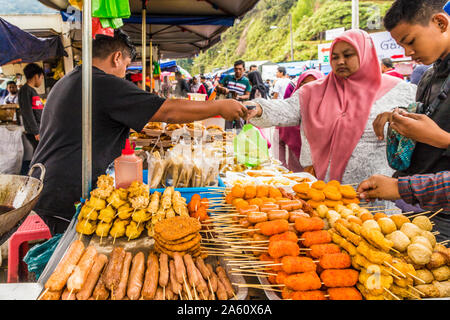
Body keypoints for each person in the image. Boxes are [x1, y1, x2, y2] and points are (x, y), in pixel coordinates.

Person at [30, 29, 248, 234]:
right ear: (117, 58)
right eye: (126, 64)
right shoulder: (103, 84)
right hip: (65, 193)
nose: (125, 73)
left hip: (45, 183)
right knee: (64, 264)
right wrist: (219, 107)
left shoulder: (71, 79)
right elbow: (167, 110)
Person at [245, 29, 416, 187]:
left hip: (376, 196)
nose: (340, 61)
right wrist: (257, 108)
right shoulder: (312, 92)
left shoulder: (400, 91)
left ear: (366, 54)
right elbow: (285, 109)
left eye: (348, 55)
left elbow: (421, 128)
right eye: (334, 57)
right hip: (324, 195)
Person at [374, 0, 450, 177]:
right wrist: (401, 116)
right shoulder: (428, 78)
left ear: (440, 23)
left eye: (410, 41)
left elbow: (433, 134)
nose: (407, 53)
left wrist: (440, 139)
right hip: (417, 195)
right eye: (402, 46)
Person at [277, 70, 325, 173]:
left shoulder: (329, 112)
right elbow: (280, 141)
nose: (308, 89)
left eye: (314, 84)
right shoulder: (290, 112)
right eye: (303, 85)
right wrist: (282, 167)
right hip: (295, 170)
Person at [18, 63, 44, 154]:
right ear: (36, 76)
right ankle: (34, 168)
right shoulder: (25, 90)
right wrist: (36, 131)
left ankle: (36, 167)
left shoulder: (31, 90)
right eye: (41, 78)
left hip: (38, 128)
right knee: (39, 153)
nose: (41, 81)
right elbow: (28, 112)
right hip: (34, 131)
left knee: (39, 152)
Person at [217, 60, 252, 130]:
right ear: (234, 69)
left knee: (240, 128)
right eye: (236, 69)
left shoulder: (247, 81)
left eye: (240, 69)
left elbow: (248, 95)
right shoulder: (228, 77)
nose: (238, 71)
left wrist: (239, 97)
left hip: (240, 107)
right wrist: (223, 89)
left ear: (244, 70)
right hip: (228, 107)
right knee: (227, 128)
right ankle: (227, 140)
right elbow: (218, 86)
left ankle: (240, 140)